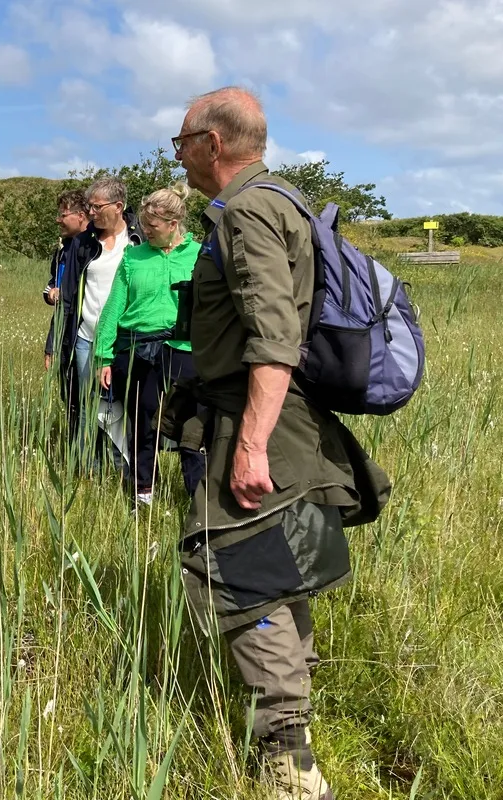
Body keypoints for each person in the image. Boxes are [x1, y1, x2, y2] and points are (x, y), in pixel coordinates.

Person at [171, 87, 390, 800]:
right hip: (273, 416)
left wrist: (251, 445)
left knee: (249, 577)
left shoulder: (251, 211)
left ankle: (289, 764)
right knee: (281, 571)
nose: (178, 155)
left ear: (212, 143)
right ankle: (293, 719)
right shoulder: (280, 200)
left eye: (181, 142)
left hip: (258, 419)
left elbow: (272, 338)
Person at [94, 183, 204, 506]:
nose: (146, 231)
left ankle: (198, 500)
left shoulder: (199, 255)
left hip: (185, 351)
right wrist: (103, 354)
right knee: (143, 424)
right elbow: (114, 307)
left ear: (173, 225)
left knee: (192, 429)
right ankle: (144, 495)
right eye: (143, 224)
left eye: (153, 226)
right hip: (139, 351)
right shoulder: (133, 257)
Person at [51, 177, 144, 469]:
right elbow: (67, 299)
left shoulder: (139, 239)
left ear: (118, 206)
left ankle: (125, 467)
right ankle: (86, 467)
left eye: (96, 206)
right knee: (84, 404)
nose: (91, 212)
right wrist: (52, 343)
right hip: (86, 337)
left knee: (123, 405)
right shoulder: (82, 243)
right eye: (89, 206)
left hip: (126, 340)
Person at [43, 189, 90, 371]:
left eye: (63, 215)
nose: (58, 220)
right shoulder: (63, 250)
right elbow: (52, 284)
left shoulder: (96, 248)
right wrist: (51, 294)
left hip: (89, 335)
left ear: (80, 216)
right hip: (64, 335)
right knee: (69, 394)